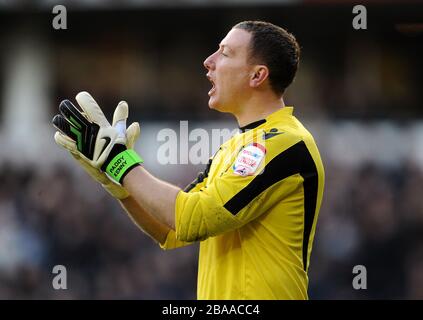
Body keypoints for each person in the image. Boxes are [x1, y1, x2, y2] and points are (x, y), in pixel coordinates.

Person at [52, 20, 325, 300]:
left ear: (257, 76)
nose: (209, 62)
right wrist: (120, 185)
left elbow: (194, 218)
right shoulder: (235, 147)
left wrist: (120, 162)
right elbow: (171, 230)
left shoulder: (285, 142)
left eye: (225, 53)